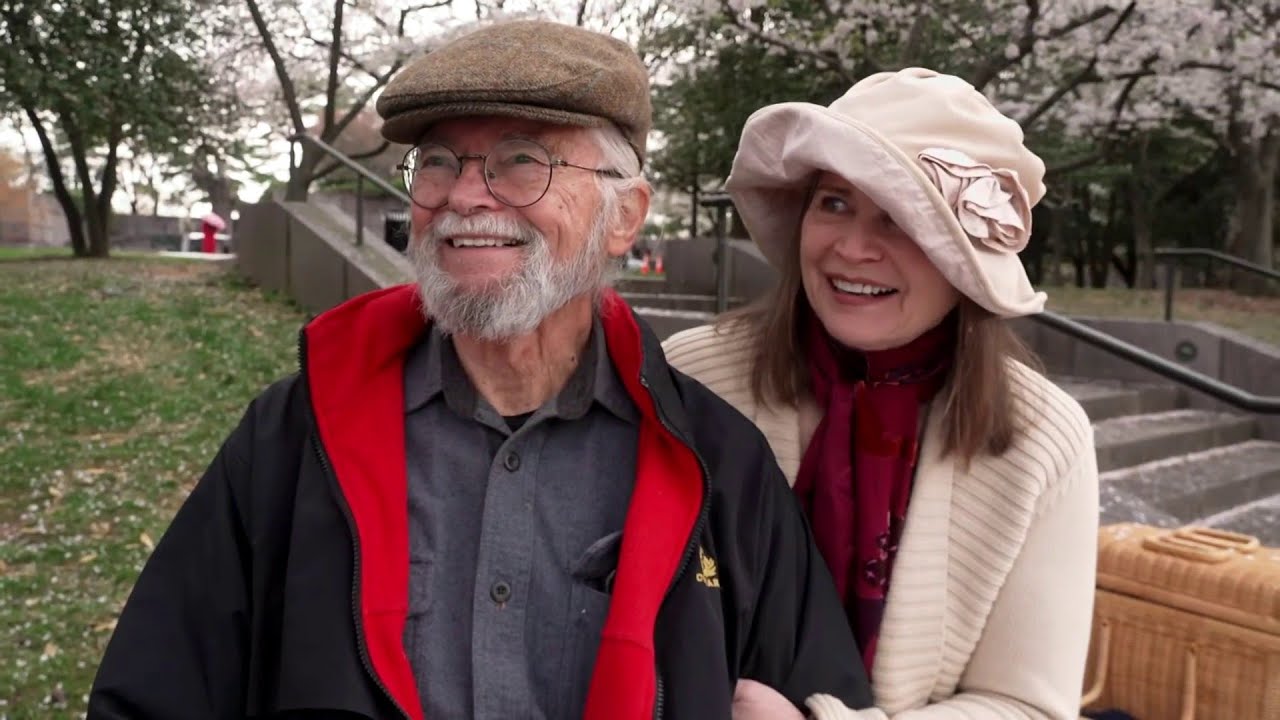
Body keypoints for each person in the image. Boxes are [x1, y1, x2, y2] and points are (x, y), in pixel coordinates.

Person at [86, 19, 874, 720]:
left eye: (521, 161)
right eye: (437, 163)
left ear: (624, 217)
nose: (464, 196)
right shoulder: (295, 438)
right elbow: (157, 689)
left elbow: (815, 690)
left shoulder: (717, 464)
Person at [664, 67, 1099, 719]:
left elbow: (1026, 704)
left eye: (899, 218)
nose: (853, 247)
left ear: (964, 263)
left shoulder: (1042, 438)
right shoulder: (695, 377)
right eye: (834, 202)